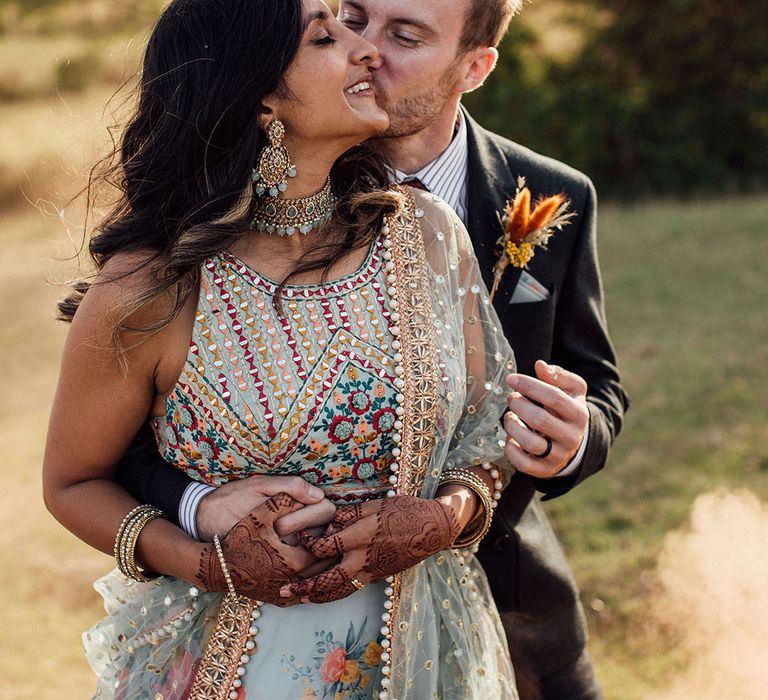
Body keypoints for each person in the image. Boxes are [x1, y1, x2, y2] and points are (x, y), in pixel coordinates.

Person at [115, 1, 630, 698]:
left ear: (473, 67)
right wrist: (201, 509)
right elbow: (127, 434)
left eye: (406, 36)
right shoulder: (232, 205)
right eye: (353, 18)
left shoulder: (547, 195)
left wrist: (572, 438)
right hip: (269, 635)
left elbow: (595, 384)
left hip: (506, 610)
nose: (367, 48)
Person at [43, 0, 522, 698]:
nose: (367, 51)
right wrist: (208, 564)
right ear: (262, 96)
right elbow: (73, 483)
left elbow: (485, 438)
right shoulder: (151, 288)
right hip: (234, 669)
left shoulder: (424, 234)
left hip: (433, 655)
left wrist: (446, 517)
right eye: (329, 36)